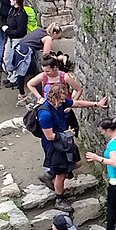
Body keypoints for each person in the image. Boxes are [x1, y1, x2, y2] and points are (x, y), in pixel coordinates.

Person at [37, 83, 81, 211]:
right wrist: (69, 134)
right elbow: (50, 136)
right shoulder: (45, 114)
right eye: (61, 99)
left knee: (77, 163)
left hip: (64, 141)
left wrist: (96, 104)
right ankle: (59, 199)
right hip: (54, 146)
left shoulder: (59, 103)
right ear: (54, 97)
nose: (63, 101)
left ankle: (49, 174)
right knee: (61, 172)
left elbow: (76, 103)